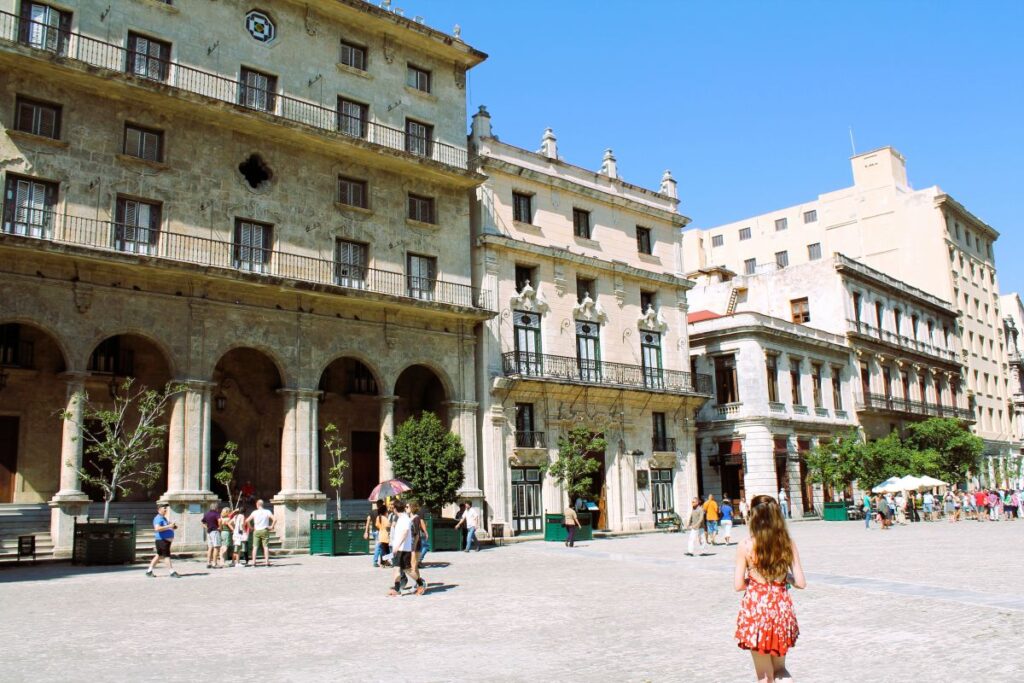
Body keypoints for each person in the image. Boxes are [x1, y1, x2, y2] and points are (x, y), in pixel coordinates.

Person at [734, 494, 806, 683]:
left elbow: (738, 585)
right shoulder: (787, 543)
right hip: (781, 608)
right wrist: (785, 578)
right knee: (780, 669)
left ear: (753, 515)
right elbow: (800, 582)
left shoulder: (746, 545)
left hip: (756, 610)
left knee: (764, 676)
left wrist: (755, 582)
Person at [387, 501, 425, 596]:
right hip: (400, 549)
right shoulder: (401, 518)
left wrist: (397, 546)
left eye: (393, 508)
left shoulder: (404, 519)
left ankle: (421, 583)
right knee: (396, 569)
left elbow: (405, 532)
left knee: (407, 570)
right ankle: (397, 590)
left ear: (395, 509)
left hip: (403, 549)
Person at [146, 503, 179, 578]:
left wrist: (173, 527)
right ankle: (172, 572)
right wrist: (169, 526)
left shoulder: (163, 518)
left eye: (166, 508)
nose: (165, 510)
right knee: (166, 556)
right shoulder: (158, 518)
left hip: (164, 540)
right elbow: (157, 529)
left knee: (158, 555)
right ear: (159, 510)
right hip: (162, 540)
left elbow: (166, 527)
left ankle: (149, 571)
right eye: (164, 508)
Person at [246, 499, 276, 567]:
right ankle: (267, 562)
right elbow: (275, 519)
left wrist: (250, 527)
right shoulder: (267, 511)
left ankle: (253, 562)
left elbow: (247, 520)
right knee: (266, 547)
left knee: (255, 547)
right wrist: (271, 526)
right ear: (262, 505)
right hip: (265, 530)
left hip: (256, 530)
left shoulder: (254, 512)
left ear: (257, 505)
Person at [409, 501, 429, 578]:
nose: (406, 508)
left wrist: (426, 532)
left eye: (407, 507)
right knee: (414, 566)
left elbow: (421, 522)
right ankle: (419, 583)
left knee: (426, 546)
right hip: (414, 540)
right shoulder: (410, 516)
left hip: (417, 538)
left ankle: (419, 559)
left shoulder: (417, 516)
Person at [365, 500, 387, 568]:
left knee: (381, 546)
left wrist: (366, 531)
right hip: (380, 531)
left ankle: (383, 561)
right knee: (379, 546)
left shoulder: (371, 512)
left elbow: (368, 522)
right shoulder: (382, 513)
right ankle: (375, 561)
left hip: (374, 531)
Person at [201, 503, 222, 568]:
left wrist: (206, 527)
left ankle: (208, 563)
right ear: (216, 508)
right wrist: (220, 527)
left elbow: (202, 522)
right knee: (216, 547)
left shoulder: (207, 514)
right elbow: (220, 520)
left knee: (210, 548)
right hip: (215, 531)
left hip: (209, 532)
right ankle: (214, 563)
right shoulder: (216, 514)